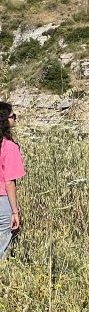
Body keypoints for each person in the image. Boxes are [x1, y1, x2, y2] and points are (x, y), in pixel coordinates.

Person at [0, 103, 25, 261]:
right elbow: (9, 182)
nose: (15, 119)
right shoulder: (9, 147)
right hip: (2, 201)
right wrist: (15, 212)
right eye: (12, 116)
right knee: (2, 247)